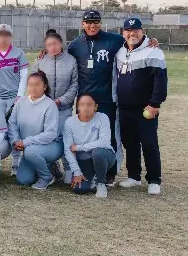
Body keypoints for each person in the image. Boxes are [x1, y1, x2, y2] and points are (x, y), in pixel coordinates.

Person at [61, 10, 157, 185]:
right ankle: (85, 169)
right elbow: (63, 58)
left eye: (96, 21)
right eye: (88, 22)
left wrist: (150, 40)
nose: (92, 25)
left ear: (100, 22)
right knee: (82, 135)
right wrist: (45, 52)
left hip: (106, 97)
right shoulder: (75, 45)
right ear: (82, 24)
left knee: (110, 135)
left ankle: (109, 172)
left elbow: (133, 40)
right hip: (83, 99)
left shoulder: (114, 40)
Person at [113, 18, 168, 195]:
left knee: (149, 143)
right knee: (130, 144)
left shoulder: (154, 51)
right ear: (123, 33)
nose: (132, 34)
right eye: (128, 31)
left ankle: (154, 179)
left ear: (142, 31)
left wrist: (154, 104)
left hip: (145, 108)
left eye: (136, 30)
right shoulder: (119, 50)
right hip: (124, 108)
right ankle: (134, 176)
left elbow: (161, 80)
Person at [29, 29, 78, 182]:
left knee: (65, 139)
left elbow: (74, 84)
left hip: (64, 109)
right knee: (47, 139)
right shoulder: (40, 60)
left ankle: (69, 170)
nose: (53, 47)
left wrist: (61, 100)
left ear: (61, 43)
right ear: (46, 47)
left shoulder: (71, 60)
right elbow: (34, 83)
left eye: (55, 44)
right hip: (45, 109)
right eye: (49, 45)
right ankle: (52, 169)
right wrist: (45, 101)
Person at [0, 24, 28, 175]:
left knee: (15, 129)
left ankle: (15, 165)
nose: (3, 37)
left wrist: (20, 95)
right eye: (0, 34)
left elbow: (24, 75)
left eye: (6, 35)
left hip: (13, 98)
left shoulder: (18, 53)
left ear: (11, 36)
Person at [8, 72, 61, 190]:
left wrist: (25, 142)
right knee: (23, 179)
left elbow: (50, 134)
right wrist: (16, 141)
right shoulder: (20, 102)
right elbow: (12, 124)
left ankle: (46, 177)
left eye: (37, 84)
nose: (33, 88)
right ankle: (50, 167)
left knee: (31, 152)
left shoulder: (50, 105)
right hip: (28, 147)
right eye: (30, 85)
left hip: (52, 146)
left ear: (45, 86)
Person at [64, 93, 116, 198]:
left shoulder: (102, 117)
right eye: (82, 104)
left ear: (95, 107)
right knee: (79, 189)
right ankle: (92, 178)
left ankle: (101, 183)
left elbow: (104, 142)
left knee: (98, 152)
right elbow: (68, 149)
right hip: (84, 160)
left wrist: (79, 147)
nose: (86, 107)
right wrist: (77, 171)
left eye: (89, 104)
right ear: (77, 107)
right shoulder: (69, 122)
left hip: (103, 155)